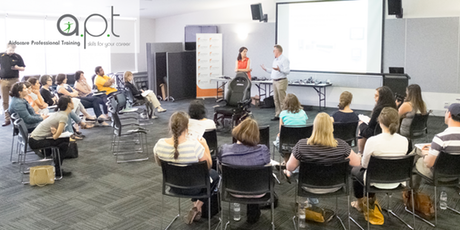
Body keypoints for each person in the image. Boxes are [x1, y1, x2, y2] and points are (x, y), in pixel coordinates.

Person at [154, 111, 218, 224]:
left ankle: (196, 207)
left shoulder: (159, 145)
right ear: (187, 127)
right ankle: (198, 207)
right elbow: (208, 166)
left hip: (173, 186)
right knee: (215, 175)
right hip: (194, 188)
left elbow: (160, 164)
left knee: (196, 178)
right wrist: (205, 145)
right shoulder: (195, 146)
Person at [351, 107, 408, 212]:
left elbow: (364, 165)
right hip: (397, 180)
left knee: (355, 170)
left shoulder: (372, 141)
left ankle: (361, 203)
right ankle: (370, 200)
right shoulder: (405, 141)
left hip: (374, 181)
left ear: (380, 122)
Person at [286, 113, 361, 188]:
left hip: (308, 186)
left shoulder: (301, 145)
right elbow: (357, 163)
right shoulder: (342, 145)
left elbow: (290, 167)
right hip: (335, 186)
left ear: (314, 127)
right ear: (331, 127)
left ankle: (311, 200)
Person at [218, 118, 270, 224]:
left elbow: (220, 169)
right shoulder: (263, 150)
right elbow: (266, 163)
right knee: (258, 176)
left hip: (233, 190)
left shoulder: (224, 150)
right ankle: (254, 215)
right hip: (258, 191)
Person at [412, 103, 460, 191]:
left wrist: (424, 154)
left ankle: (411, 191)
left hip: (439, 174)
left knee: (416, 157)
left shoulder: (441, 138)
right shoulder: (443, 139)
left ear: (449, 114)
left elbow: (428, 164)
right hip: (457, 173)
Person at [29, 96, 74, 177]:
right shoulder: (63, 116)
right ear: (69, 104)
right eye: (72, 102)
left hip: (34, 139)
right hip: (36, 141)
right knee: (65, 142)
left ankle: (57, 168)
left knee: (64, 141)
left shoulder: (59, 113)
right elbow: (56, 137)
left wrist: (55, 133)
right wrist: (55, 133)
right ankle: (58, 170)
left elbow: (56, 134)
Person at [357, 86, 397, 154]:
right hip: (390, 130)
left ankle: (361, 152)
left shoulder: (378, 109)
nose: (374, 98)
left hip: (376, 132)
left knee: (361, 125)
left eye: (376, 96)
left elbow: (371, 125)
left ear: (382, 97)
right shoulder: (394, 107)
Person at [276, 93, 308, 162]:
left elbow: (281, 131)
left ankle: (286, 160)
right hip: (301, 140)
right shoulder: (303, 112)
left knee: (278, 139)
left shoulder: (283, 114)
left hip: (288, 141)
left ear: (285, 103)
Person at [261, 44, 290, 121]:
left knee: (282, 99)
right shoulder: (275, 60)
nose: (273, 52)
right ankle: (278, 114)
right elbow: (274, 70)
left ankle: (284, 116)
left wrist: (280, 70)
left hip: (281, 81)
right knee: (276, 99)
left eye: (274, 50)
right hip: (275, 81)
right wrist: (266, 69)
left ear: (278, 51)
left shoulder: (284, 59)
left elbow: (287, 71)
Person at [0, 43, 25, 126]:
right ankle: (7, 119)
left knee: (16, 99)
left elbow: (23, 68)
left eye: (13, 50)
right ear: (7, 48)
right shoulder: (1, 55)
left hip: (14, 80)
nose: (11, 52)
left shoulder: (17, 56)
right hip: (3, 80)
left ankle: (17, 119)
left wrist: (18, 68)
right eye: (10, 50)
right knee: (5, 101)